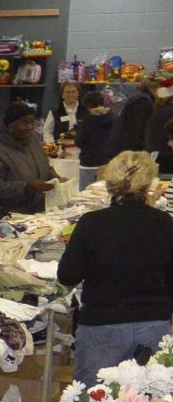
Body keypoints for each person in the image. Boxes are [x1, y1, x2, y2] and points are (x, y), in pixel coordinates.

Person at [56, 151, 173, 387]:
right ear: (150, 183)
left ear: (109, 182)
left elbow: (67, 275)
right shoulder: (164, 223)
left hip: (102, 324)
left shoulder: (92, 223)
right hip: (153, 324)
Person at [0, 103, 57, 223]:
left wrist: (55, 178)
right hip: (3, 220)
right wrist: (26, 186)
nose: (30, 127)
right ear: (10, 125)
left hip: (33, 215)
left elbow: (45, 166)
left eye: (32, 123)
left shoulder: (33, 144)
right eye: (24, 123)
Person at [75, 88, 117, 187]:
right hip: (108, 163)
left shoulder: (87, 121)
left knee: (86, 195)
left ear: (87, 106)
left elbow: (79, 142)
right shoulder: (114, 118)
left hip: (89, 164)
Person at [107, 76, 156, 160]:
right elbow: (134, 132)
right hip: (128, 154)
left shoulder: (140, 98)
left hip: (123, 151)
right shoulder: (142, 102)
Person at [44, 80, 82, 145]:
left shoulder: (86, 110)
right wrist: (52, 144)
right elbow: (47, 131)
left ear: (78, 93)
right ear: (62, 95)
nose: (70, 94)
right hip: (61, 149)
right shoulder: (55, 111)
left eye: (73, 91)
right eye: (67, 92)